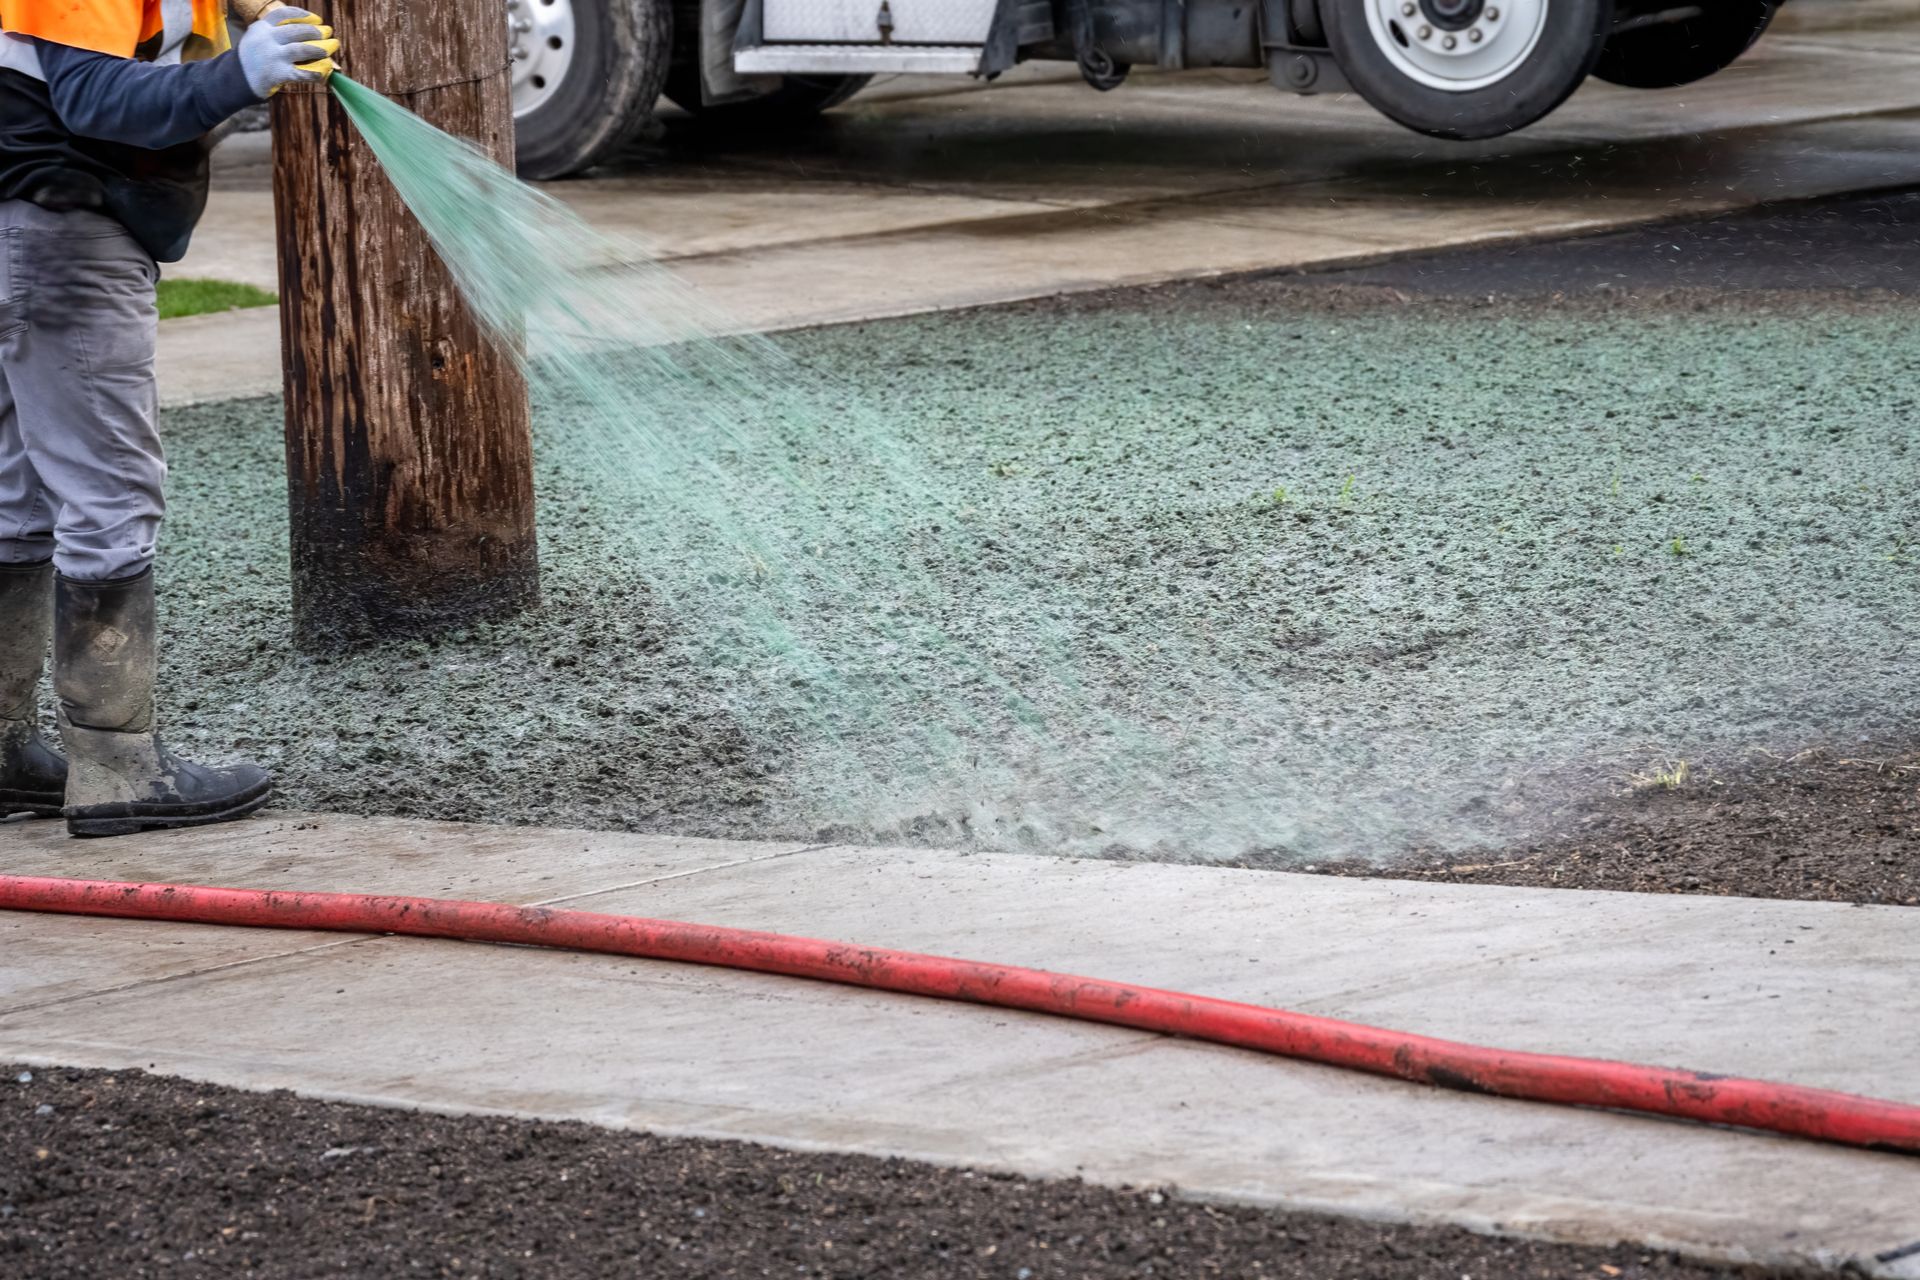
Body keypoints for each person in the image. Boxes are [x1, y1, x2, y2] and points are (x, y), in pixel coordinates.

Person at [0, 0, 336, 835]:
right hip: (62, 226)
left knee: (15, 496)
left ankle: (3, 751)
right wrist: (239, 75)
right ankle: (118, 767)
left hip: (20, 223)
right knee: (108, 493)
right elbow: (94, 99)